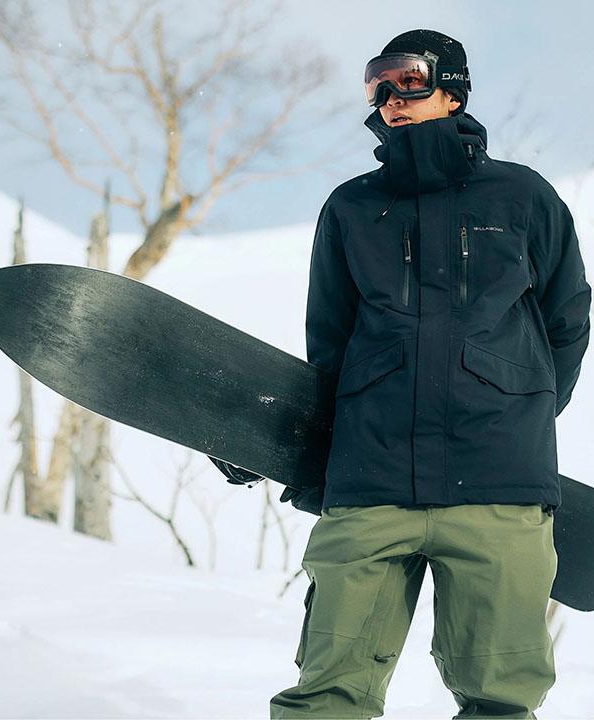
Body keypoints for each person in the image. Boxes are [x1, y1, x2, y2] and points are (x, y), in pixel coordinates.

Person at [216, 28, 592, 719]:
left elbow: (566, 323)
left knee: (501, 700)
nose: (390, 96)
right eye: (377, 84)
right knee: (326, 694)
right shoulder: (352, 207)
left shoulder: (523, 197)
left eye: (409, 79)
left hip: (498, 491)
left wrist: (519, 412)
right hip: (370, 486)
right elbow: (329, 344)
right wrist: (288, 441)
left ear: (453, 90)